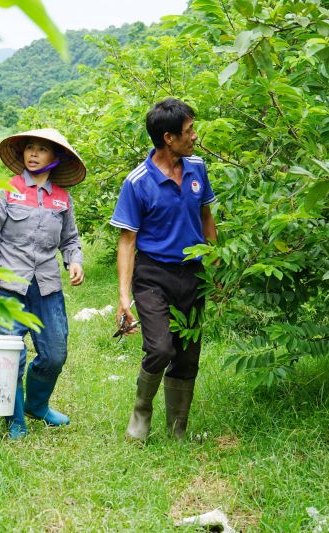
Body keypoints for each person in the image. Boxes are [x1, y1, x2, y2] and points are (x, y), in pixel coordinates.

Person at [110, 98, 217, 441]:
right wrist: (124, 296)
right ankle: (141, 413)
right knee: (160, 348)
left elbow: (206, 216)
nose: (195, 137)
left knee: (188, 354)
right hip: (153, 274)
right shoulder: (137, 182)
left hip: (193, 274)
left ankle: (177, 430)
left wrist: (215, 267)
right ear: (168, 138)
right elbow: (128, 241)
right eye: (189, 131)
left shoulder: (197, 167)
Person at [0, 128, 86, 439]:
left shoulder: (61, 199)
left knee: (55, 353)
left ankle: (36, 405)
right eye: (30, 147)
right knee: (10, 355)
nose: (33, 154)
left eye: (42, 149)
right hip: (8, 285)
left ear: (56, 158)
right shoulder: (4, 191)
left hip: (47, 287)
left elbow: (70, 239)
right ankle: (15, 419)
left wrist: (75, 261)